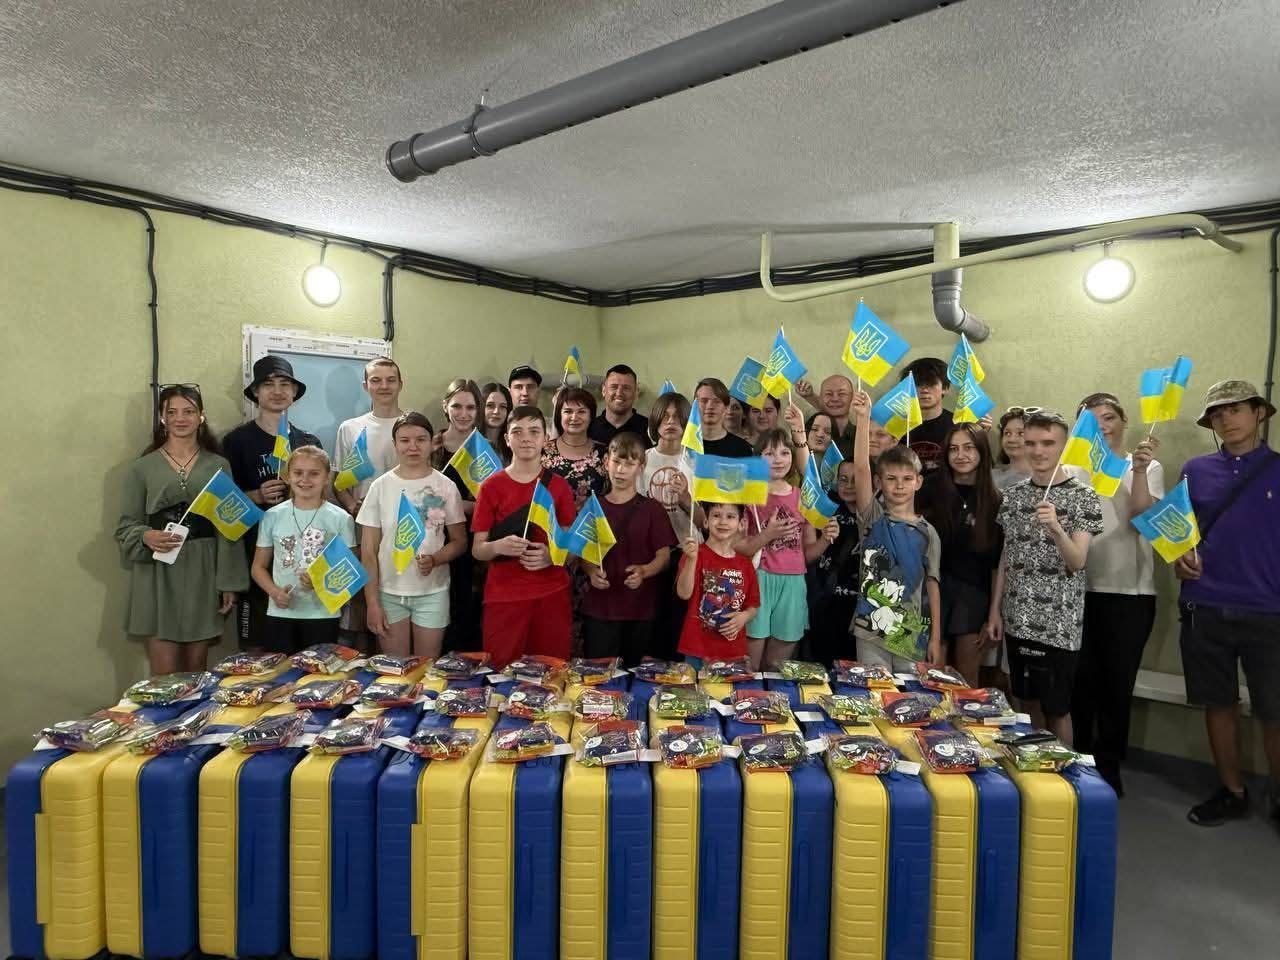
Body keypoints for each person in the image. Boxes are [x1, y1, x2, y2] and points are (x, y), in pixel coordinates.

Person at [1176, 380, 1280, 826]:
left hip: (1270, 610)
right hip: (1204, 605)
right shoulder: (1195, 470)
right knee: (1218, 704)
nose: (1226, 419)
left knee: (1275, 711)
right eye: (1217, 414)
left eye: (1235, 409)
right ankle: (1232, 791)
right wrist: (1178, 558)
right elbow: (1177, 532)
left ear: (1259, 413)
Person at [1063, 393, 1162, 796]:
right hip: (1077, 590)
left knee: (1117, 685)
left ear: (1123, 422)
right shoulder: (1070, 468)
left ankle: (1109, 766)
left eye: (1109, 417)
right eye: (1090, 420)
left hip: (1129, 593)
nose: (1101, 426)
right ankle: (1080, 762)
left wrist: (1137, 472)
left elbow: (1142, 520)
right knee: (1079, 684)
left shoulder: (1146, 465)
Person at [988, 410, 1103, 743]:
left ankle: (1065, 771)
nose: (1038, 451)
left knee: (1057, 708)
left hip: (1059, 623)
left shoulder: (1083, 496)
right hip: (1016, 616)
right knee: (1026, 702)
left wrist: (1056, 528)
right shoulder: (1013, 495)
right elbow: (1006, 556)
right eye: (1032, 443)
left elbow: (1077, 561)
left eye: (1048, 443)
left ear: (1063, 446)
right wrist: (995, 611)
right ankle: (1036, 763)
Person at [116, 385, 246, 674]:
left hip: (203, 569)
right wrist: (145, 535)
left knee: (195, 671)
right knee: (164, 676)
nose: (180, 418)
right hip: (158, 572)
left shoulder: (219, 466)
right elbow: (125, 526)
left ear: (201, 416)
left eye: (188, 411)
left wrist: (229, 582)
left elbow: (229, 527)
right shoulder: (142, 468)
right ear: (163, 418)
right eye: (172, 412)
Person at [222, 356, 321, 652]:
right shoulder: (236, 441)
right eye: (268, 384)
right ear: (255, 392)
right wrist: (256, 496)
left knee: (307, 652)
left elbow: (322, 501)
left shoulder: (308, 442)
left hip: (302, 563)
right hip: (256, 560)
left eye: (284, 384)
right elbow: (222, 507)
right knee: (260, 653)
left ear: (294, 392)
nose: (277, 391)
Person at [472, 406, 576, 667]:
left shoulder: (559, 486)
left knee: (551, 670)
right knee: (501, 669)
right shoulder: (491, 486)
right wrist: (499, 546)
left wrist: (552, 556)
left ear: (545, 439)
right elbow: (478, 549)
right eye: (517, 432)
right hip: (504, 595)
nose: (526, 438)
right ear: (507, 439)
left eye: (534, 431)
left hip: (551, 593)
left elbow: (573, 546)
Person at [358, 413, 467, 658]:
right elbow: (368, 552)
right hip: (388, 592)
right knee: (396, 670)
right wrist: (372, 602)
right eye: (405, 440)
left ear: (432, 442)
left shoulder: (446, 486)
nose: (413, 446)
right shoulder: (380, 487)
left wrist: (436, 559)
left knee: (425, 668)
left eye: (421, 439)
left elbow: (460, 541)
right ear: (395, 444)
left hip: (433, 591)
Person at [850, 388, 943, 672]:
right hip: (870, 627)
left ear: (918, 482)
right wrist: (863, 418)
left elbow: (933, 586)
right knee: (876, 691)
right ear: (879, 482)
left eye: (906, 478)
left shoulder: (928, 532)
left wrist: (935, 638)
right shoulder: (872, 518)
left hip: (909, 631)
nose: (899, 485)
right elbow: (861, 468)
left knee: (909, 694)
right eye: (891, 478)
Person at [737, 427, 838, 670]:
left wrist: (826, 540)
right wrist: (768, 534)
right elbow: (740, 548)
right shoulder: (748, 497)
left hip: (793, 584)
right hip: (758, 580)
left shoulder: (802, 497)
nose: (778, 459)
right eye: (769, 453)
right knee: (749, 665)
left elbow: (807, 554)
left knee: (776, 666)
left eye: (784, 453)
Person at [581, 434, 677, 665]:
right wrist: (592, 572)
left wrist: (644, 571)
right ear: (606, 462)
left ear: (640, 468)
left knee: (638, 674)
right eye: (617, 462)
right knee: (598, 674)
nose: (621, 470)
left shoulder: (652, 509)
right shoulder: (594, 506)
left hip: (641, 609)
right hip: (601, 609)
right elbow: (584, 553)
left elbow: (664, 557)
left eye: (629, 464)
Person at [252, 446, 356, 653]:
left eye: (314, 473)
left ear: (327, 478)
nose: (305, 480)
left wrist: (322, 582)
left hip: (323, 614)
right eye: (298, 473)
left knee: (317, 670)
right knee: (281, 670)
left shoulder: (341, 518)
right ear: (288, 476)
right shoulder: (272, 516)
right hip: (281, 612)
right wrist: (274, 592)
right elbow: (258, 567)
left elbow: (350, 570)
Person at [923, 423, 1004, 686]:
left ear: (982, 451)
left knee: (967, 681)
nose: (961, 455)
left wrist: (994, 613)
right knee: (932, 678)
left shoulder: (995, 500)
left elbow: (996, 565)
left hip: (974, 596)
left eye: (969, 448)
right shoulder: (929, 490)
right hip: (931, 591)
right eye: (954, 449)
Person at [641, 392, 700, 660]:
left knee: (678, 623)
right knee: (650, 625)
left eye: (678, 417)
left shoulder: (694, 462)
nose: (671, 422)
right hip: (649, 552)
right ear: (655, 421)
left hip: (686, 552)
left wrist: (685, 497)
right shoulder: (643, 459)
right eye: (665, 416)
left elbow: (706, 521)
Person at [432, 378, 486, 651]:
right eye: (457, 406)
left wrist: (457, 506)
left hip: (472, 543)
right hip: (432, 540)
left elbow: (493, 505)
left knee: (465, 610)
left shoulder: (484, 451)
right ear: (445, 406)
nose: (463, 414)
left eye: (470, 407)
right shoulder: (431, 445)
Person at [676, 502, 760, 670]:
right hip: (697, 649)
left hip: (733, 651)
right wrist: (691, 560)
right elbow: (684, 593)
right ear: (706, 521)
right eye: (716, 515)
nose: (723, 522)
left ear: (741, 524)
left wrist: (744, 617)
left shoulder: (745, 564)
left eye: (730, 516)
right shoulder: (694, 555)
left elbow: (753, 605)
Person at [808, 459, 862, 667]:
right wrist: (824, 538)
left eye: (856, 480)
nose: (849, 485)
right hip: (825, 600)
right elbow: (808, 557)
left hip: (857, 607)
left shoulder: (874, 514)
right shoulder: (827, 509)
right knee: (822, 662)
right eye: (843, 479)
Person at [332, 358, 403, 514]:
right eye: (376, 380)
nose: (384, 386)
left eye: (391, 380)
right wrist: (352, 507)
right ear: (366, 386)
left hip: (405, 518)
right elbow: (339, 484)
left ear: (400, 385)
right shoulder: (349, 428)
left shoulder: (414, 427)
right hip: (363, 521)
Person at [899, 357, 954, 474]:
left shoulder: (957, 425)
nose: (924, 390)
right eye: (918, 384)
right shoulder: (895, 424)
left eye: (931, 384)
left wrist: (980, 433)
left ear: (945, 388)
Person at [589, 363, 651, 446]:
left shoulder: (650, 429)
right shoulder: (588, 428)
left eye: (626, 388)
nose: (619, 393)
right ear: (604, 390)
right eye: (614, 387)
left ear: (636, 392)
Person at [796, 373, 856, 456]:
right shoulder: (806, 432)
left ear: (852, 397)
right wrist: (810, 396)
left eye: (842, 394)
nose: (835, 399)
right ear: (821, 397)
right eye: (829, 394)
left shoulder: (861, 436)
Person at [694, 378, 753, 457]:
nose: (710, 406)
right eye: (704, 401)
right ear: (694, 405)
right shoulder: (684, 446)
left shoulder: (742, 448)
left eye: (717, 401)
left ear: (726, 407)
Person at [993, 406, 1034, 491]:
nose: (1011, 439)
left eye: (1021, 433)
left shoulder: (1046, 480)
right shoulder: (990, 477)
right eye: (1007, 433)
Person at [479, 381, 513, 463]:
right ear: (480, 407)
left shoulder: (513, 444)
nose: (496, 411)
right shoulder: (471, 443)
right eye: (490, 405)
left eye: (502, 406)